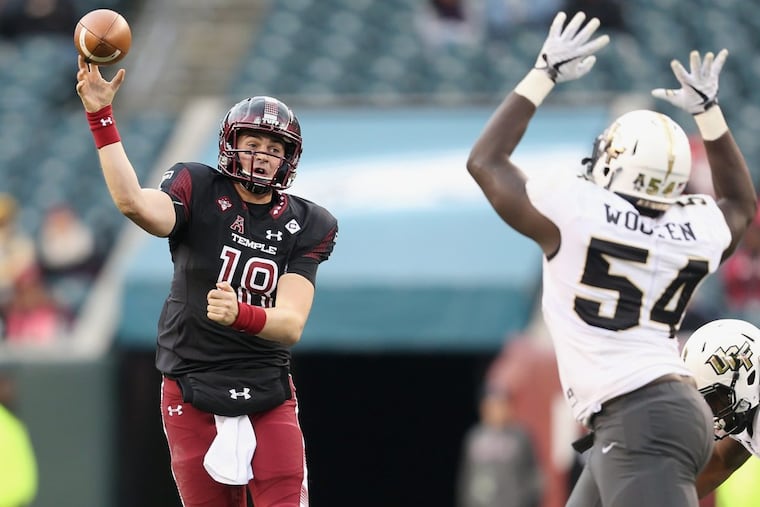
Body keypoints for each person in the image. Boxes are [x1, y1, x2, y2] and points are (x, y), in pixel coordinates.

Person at [466, 10, 757, 507]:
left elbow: (485, 160)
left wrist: (543, 73)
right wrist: (710, 114)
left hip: (640, 414)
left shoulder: (580, 212)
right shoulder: (690, 225)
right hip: (641, 413)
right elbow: (739, 205)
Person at [75, 55, 338, 506]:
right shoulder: (197, 185)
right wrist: (101, 117)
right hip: (190, 384)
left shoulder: (309, 222)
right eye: (252, 142)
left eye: (274, 149)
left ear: (287, 161)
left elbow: (291, 323)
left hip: (266, 387)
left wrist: (242, 314)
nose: (261, 156)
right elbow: (136, 205)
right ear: (230, 144)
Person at [680, 319, 760, 500]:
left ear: (748, 379)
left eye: (712, 399)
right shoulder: (748, 407)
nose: (708, 412)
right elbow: (722, 459)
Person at [456, 383, 543, 507]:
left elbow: (535, 475)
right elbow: (466, 476)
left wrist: (525, 499)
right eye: (492, 405)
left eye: (501, 404)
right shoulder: (474, 437)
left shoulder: (520, 436)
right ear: (484, 408)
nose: (497, 410)